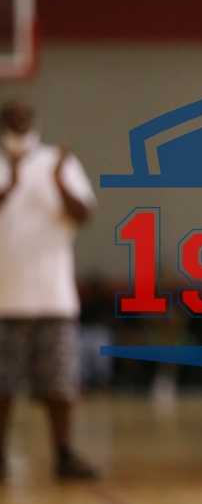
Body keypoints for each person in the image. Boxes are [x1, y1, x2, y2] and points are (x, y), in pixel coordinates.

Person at [0, 100, 98, 481]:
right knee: (3, 384)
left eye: (25, 119)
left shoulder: (58, 162)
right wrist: (9, 187)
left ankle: (64, 453)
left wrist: (58, 182)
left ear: (35, 123)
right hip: (4, 299)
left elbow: (83, 214)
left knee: (59, 382)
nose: (20, 125)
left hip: (52, 295)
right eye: (12, 120)